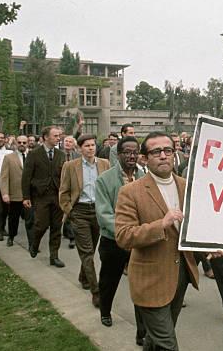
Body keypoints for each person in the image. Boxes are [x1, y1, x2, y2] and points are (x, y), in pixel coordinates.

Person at [115, 131, 199, 351]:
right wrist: (160, 224)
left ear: (174, 154)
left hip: (180, 275)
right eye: (156, 151)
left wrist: (211, 246)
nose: (163, 155)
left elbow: (196, 226)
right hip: (149, 280)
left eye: (168, 150)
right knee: (167, 344)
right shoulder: (130, 192)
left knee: (157, 338)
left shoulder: (187, 186)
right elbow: (123, 236)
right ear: (145, 158)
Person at [95, 136, 146, 342]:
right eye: (127, 152)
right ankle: (105, 311)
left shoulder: (144, 177)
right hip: (113, 241)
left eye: (135, 152)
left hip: (139, 242)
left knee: (141, 286)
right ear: (119, 153)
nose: (131, 156)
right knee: (109, 281)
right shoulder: (105, 180)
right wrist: (125, 231)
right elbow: (103, 213)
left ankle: (141, 332)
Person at [59, 134, 110, 308]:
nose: (90, 148)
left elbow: (110, 187)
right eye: (87, 146)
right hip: (79, 211)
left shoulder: (104, 164)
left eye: (92, 145)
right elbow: (63, 191)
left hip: (98, 211)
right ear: (80, 148)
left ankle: (83, 276)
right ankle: (96, 292)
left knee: (90, 248)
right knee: (87, 251)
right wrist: (69, 211)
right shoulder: (70, 166)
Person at [22, 126, 66, 267]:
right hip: (40, 195)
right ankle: (34, 245)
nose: (58, 138)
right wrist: (26, 196)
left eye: (59, 136)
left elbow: (64, 176)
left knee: (56, 227)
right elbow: (26, 177)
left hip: (57, 195)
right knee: (41, 225)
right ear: (46, 137)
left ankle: (54, 256)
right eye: (55, 136)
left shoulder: (61, 154)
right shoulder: (34, 154)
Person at [0, 135, 29, 247]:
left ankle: (33, 243)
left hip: (29, 195)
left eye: (24, 142)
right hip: (15, 194)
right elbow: (4, 177)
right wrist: (5, 193)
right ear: (16, 143)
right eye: (20, 142)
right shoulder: (9, 158)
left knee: (31, 221)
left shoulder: (32, 156)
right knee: (13, 218)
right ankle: (11, 237)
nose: (22, 144)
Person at [61, 135, 80, 248]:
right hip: (60, 185)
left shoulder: (77, 156)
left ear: (74, 145)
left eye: (70, 142)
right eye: (66, 141)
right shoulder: (58, 154)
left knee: (70, 209)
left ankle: (71, 236)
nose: (67, 143)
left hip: (73, 186)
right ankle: (63, 231)